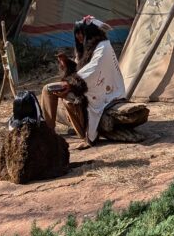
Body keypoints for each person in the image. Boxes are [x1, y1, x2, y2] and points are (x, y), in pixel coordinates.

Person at [41, 16, 126, 149]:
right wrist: (67, 64)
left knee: (58, 94)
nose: (78, 36)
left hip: (106, 94)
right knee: (48, 90)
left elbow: (93, 69)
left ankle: (80, 133)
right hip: (89, 88)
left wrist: (70, 83)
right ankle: (48, 132)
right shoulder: (86, 48)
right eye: (77, 33)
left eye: (81, 32)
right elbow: (80, 70)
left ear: (90, 32)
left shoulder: (104, 46)